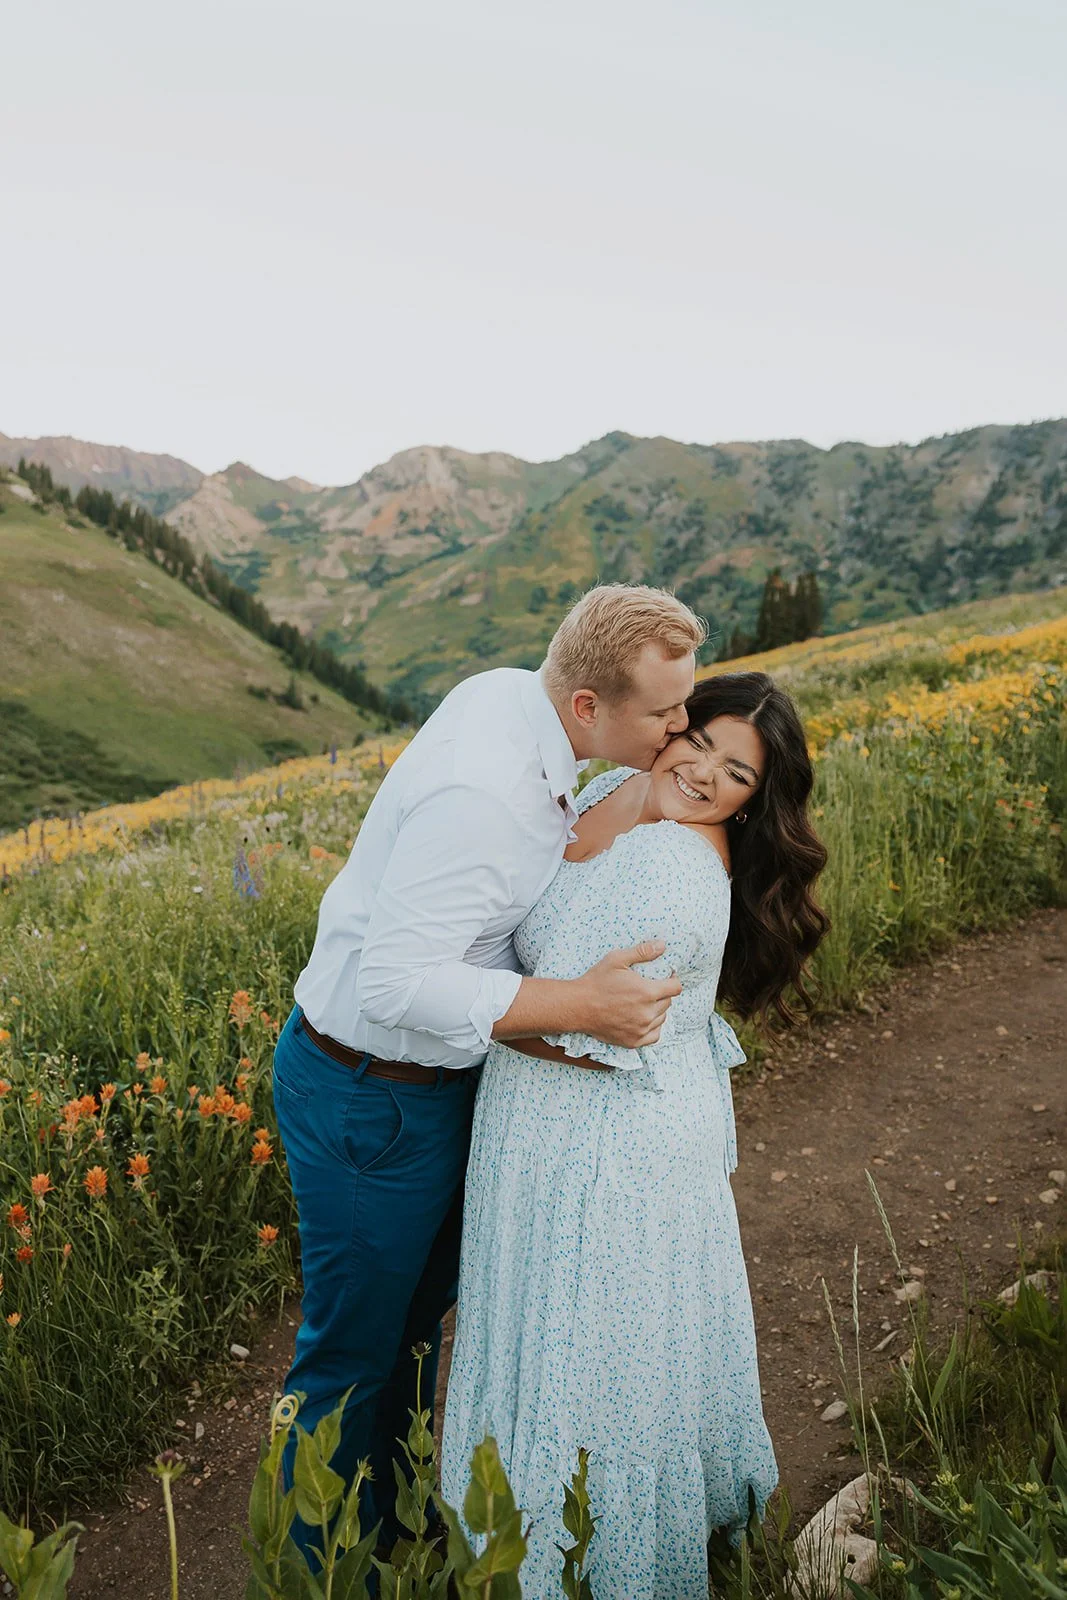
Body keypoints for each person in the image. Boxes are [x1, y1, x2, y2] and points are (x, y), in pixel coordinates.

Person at [271, 583, 707, 1554]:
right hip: (365, 1097)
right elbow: (394, 984)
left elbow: (472, 929)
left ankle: (394, 1537)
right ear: (588, 705)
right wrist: (579, 1005)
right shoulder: (485, 789)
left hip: (422, 1089)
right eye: (665, 709)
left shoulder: (518, 697)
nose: (682, 725)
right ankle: (316, 1571)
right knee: (345, 1363)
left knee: (412, 1338)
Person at [441, 671, 830, 1600]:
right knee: (570, 1332)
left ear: (750, 801)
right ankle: (516, 1535)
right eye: (696, 740)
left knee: (590, 1354)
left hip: (605, 1133)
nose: (700, 773)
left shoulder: (673, 864)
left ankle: (588, 1566)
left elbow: (581, 1022)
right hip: (553, 1119)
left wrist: (440, 1005)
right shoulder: (613, 788)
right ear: (669, 723)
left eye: (735, 774)